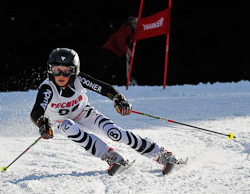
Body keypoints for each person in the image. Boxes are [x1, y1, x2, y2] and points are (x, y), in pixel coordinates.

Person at [30, 48, 180, 175]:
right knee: (67, 127)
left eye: (66, 71)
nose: (61, 76)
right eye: (57, 70)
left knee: (114, 133)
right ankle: (111, 156)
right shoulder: (47, 87)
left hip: (85, 113)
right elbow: (37, 110)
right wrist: (42, 123)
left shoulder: (79, 80)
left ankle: (161, 154)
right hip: (62, 121)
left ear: (74, 70)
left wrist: (118, 98)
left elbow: (103, 88)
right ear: (50, 69)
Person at [100, 16, 138, 86]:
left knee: (115, 68)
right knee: (110, 68)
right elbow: (120, 41)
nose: (137, 25)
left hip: (116, 52)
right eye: (135, 23)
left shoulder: (131, 31)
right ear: (131, 23)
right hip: (111, 50)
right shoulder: (127, 30)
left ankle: (113, 83)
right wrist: (126, 50)